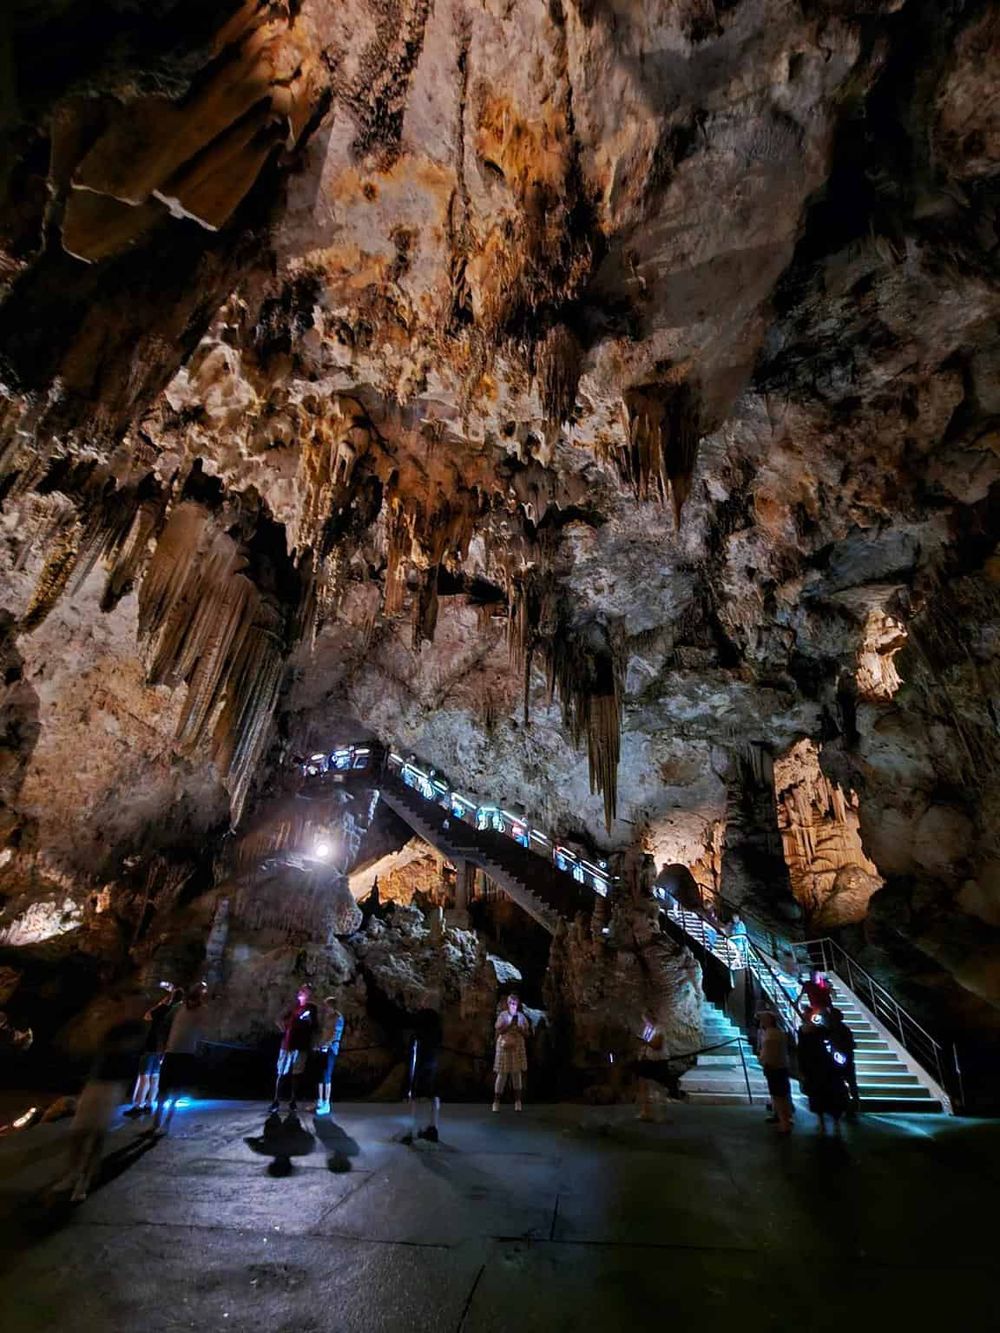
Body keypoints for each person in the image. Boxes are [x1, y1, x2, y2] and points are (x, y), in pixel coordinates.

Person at [55, 1019, 146, 1202]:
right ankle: (74, 1174)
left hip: (111, 1086)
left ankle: (84, 1182)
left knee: (96, 1135)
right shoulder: (111, 1026)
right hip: (96, 1082)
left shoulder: (132, 1027)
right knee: (78, 1133)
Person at [154, 980, 209, 1135]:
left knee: (176, 1089)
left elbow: (203, 1031)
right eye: (199, 990)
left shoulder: (202, 1011)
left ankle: (166, 1122)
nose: (200, 994)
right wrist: (161, 1047)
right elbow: (166, 1025)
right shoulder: (178, 1008)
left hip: (186, 1053)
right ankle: (156, 1121)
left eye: (202, 991)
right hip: (172, 1052)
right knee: (163, 1089)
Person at [125, 986, 183, 1118]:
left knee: (144, 1076)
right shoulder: (175, 1014)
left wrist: (161, 1003)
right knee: (155, 1077)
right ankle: (149, 1104)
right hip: (163, 1048)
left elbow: (147, 1016)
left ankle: (138, 1105)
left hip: (151, 1046)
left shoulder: (162, 1009)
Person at [270, 983, 318, 1113]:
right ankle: (276, 1101)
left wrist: (309, 1021)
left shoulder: (312, 1008)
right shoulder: (292, 1006)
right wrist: (284, 1030)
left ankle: (293, 1101)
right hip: (287, 1044)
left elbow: (315, 1026)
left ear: (309, 994)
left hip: (301, 1045)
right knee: (281, 1072)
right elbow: (278, 1018)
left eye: (304, 991)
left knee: (296, 1073)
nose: (301, 992)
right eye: (301, 990)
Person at [796, 1016, 848, 1134]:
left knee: (818, 1098)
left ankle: (822, 1122)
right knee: (831, 1098)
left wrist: (802, 1072)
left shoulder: (805, 1041)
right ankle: (835, 1122)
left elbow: (801, 1057)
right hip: (827, 1071)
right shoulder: (824, 1037)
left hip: (815, 1072)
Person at [405, 1005, 443, 1143]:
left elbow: (415, 1054)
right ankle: (433, 1127)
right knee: (433, 1096)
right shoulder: (437, 1032)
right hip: (433, 1065)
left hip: (421, 1066)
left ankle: (411, 1131)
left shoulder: (419, 1035)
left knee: (414, 1097)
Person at [756, 1012, 793, 1133]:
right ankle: (783, 1118)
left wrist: (763, 1060)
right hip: (780, 1066)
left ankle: (784, 1123)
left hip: (774, 1067)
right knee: (781, 1094)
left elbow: (768, 1053)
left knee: (778, 1095)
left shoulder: (770, 1035)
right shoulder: (777, 1033)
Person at [492, 993, 529, 1112]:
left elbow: (527, 1034)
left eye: (515, 1003)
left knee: (516, 1074)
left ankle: (518, 1102)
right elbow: (499, 1030)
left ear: (518, 1004)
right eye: (511, 1003)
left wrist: (520, 1029)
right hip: (504, 1047)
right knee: (502, 1074)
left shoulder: (522, 1017)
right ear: (507, 1004)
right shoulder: (502, 1016)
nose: (513, 1005)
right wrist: (510, 1025)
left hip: (517, 1047)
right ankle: (496, 1102)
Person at [635, 1012, 667, 1122]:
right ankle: (646, 1112)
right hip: (647, 1060)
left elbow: (657, 1045)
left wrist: (645, 1042)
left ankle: (660, 1115)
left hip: (658, 1061)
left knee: (657, 1087)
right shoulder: (647, 1029)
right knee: (644, 1087)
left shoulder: (659, 1029)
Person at [315, 997, 345, 1116]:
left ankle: (326, 1103)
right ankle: (320, 1100)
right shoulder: (327, 1017)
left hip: (331, 1049)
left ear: (332, 1006)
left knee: (327, 1075)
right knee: (320, 1075)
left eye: (326, 1006)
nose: (325, 1008)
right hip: (323, 1048)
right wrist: (319, 1045)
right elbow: (324, 1033)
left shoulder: (338, 1018)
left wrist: (326, 1045)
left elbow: (334, 1035)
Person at [826, 1007, 859, 1112]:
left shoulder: (836, 1030)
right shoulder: (842, 1029)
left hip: (840, 1059)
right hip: (845, 1058)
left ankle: (847, 1102)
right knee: (850, 1081)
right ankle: (852, 1102)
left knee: (844, 1081)